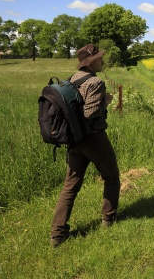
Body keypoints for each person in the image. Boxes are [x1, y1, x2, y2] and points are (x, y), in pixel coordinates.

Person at [50, 44, 121, 248]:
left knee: (70, 186)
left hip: (73, 139)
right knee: (111, 176)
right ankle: (109, 219)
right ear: (91, 62)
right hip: (93, 138)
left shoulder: (71, 79)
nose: (102, 61)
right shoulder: (95, 82)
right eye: (99, 58)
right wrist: (106, 102)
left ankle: (57, 234)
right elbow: (89, 113)